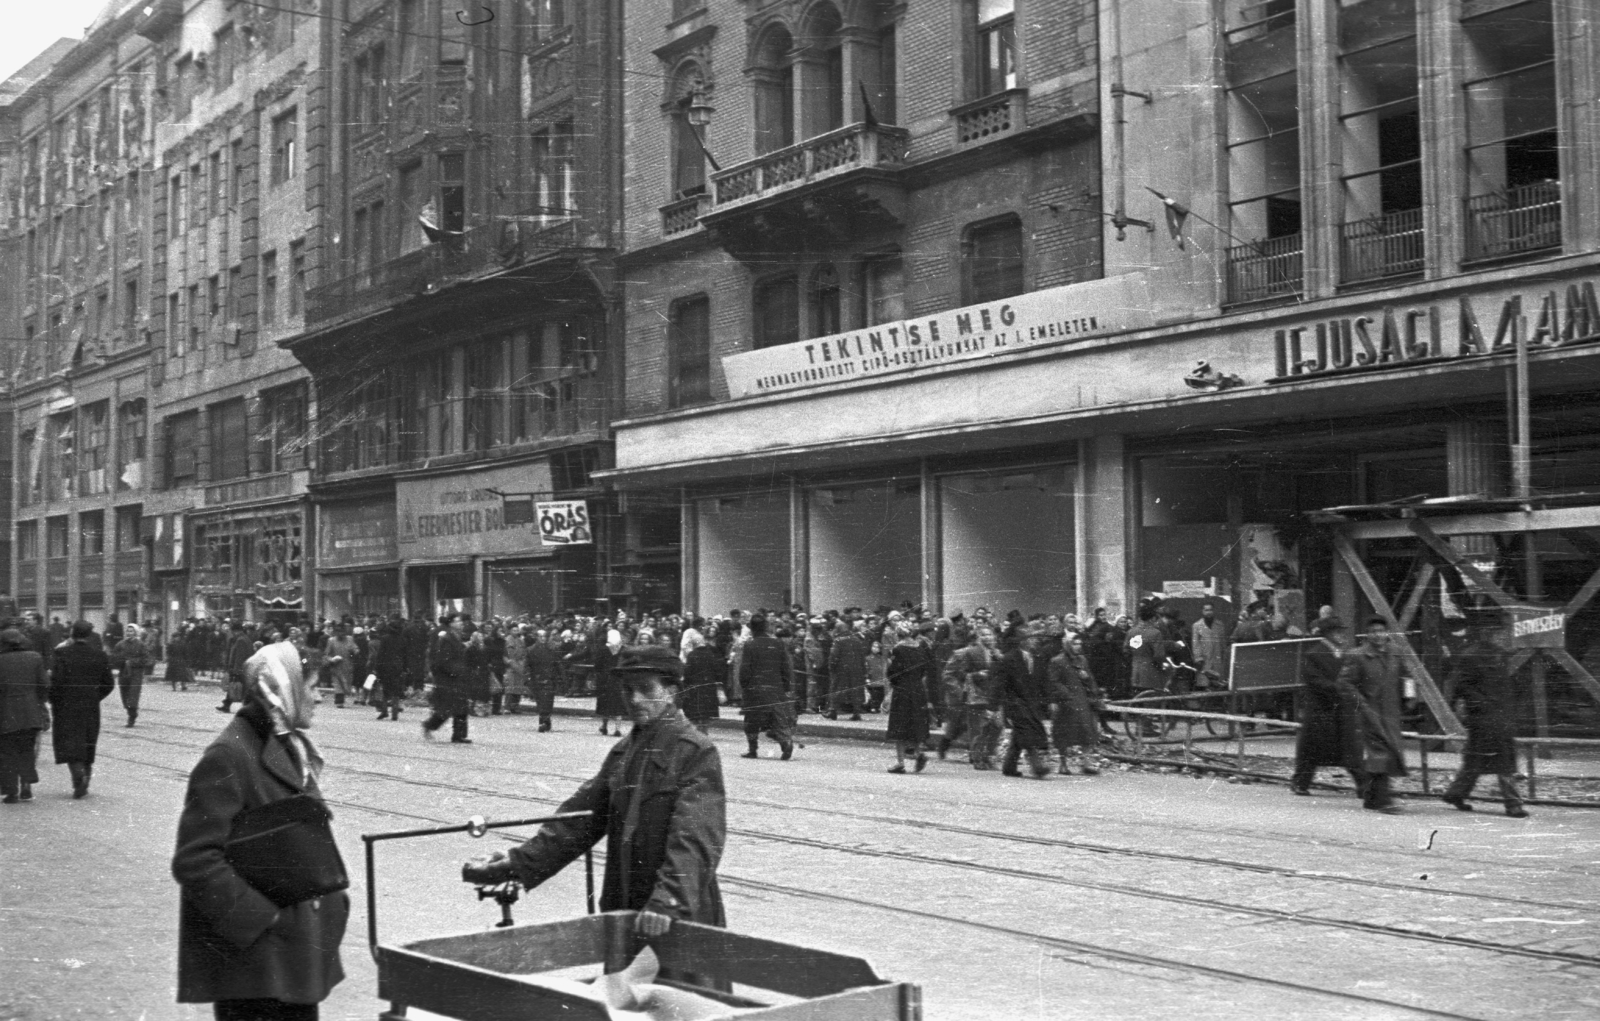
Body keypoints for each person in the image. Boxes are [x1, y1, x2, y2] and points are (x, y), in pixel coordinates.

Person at [461, 645, 725, 947]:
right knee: (622, 992)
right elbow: (578, 821)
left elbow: (696, 837)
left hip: (676, 916)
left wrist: (669, 900)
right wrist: (517, 863)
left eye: (645, 689)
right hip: (626, 904)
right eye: (627, 690)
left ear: (671, 691)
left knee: (675, 995)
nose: (634, 699)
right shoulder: (625, 751)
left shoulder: (695, 751)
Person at [172, 629, 348, 1020]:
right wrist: (264, 919)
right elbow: (195, 860)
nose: (319, 697)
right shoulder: (229, 755)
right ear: (283, 690)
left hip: (290, 958)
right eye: (313, 688)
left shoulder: (286, 743)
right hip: (257, 966)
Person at [1442, 611, 1528, 818]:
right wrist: (1483, 705)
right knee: (1502, 761)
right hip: (1484, 717)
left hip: (1497, 716)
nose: (1494, 634)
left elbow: (1507, 685)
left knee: (1476, 761)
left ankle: (1456, 793)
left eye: (1496, 630)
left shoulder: (1499, 654)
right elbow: (1462, 686)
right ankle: (1513, 805)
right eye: (1490, 631)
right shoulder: (1470, 655)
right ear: (1481, 632)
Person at [1288, 617, 1365, 796]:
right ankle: (1300, 783)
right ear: (1328, 634)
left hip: (1339, 709)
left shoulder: (1343, 654)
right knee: (1313, 750)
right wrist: (1341, 689)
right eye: (1338, 631)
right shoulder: (1313, 654)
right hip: (1320, 709)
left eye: (1342, 631)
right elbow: (1315, 681)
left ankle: (1364, 786)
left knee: (1349, 750)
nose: (1342, 635)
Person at [1342, 617, 1410, 814]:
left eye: (1381, 631)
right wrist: (1361, 704)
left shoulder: (1396, 652)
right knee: (1380, 753)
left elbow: (1406, 676)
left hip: (1391, 713)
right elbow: (1344, 684)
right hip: (1369, 712)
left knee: (1386, 751)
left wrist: (1411, 697)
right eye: (1373, 631)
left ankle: (1371, 797)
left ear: (1387, 633)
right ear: (1367, 634)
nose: (1378, 635)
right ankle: (1383, 799)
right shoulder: (1357, 656)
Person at [49, 621, 116, 799]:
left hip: (66, 705)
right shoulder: (99, 655)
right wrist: (95, 696)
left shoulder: (61, 653)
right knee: (88, 741)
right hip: (90, 705)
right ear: (89, 635)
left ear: (72, 633)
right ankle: (85, 775)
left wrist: (54, 700)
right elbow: (108, 684)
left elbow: (56, 681)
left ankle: (77, 774)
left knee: (69, 742)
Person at [995, 624, 1052, 779]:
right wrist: (998, 706)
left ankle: (1009, 766)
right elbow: (1001, 684)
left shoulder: (1038, 658)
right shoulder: (1009, 659)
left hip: (1032, 702)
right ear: (1021, 641)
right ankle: (1037, 766)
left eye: (1034, 638)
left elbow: (1043, 682)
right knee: (1027, 732)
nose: (1034, 641)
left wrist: (1049, 700)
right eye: (1030, 638)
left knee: (1019, 734)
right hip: (1015, 702)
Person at [0, 628, 49, 804]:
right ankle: (26, 784)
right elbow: (44, 685)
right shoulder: (35, 657)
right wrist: (40, 703)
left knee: (6, 752)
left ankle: (11, 791)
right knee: (27, 750)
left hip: (5, 712)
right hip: (31, 712)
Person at [737, 614, 795, 760]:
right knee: (777, 719)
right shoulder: (777, 643)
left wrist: (744, 685)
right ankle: (785, 743)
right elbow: (785, 667)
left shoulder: (750, 645)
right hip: (776, 688)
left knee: (751, 720)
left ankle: (753, 749)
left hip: (755, 689)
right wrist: (786, 686)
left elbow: (745, 669)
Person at [1048, 631, 1104, 775]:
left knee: (1087, 731)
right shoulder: (1057, 661)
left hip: (1082, 700)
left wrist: (1091, 686)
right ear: (1067, 644)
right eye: (1074, 643)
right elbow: (1054, 681)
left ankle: (1086, 762)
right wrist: (1066, 695)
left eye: (1079, 643)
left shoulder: (1082, 660)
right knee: (1064, 733)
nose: (1078, 646)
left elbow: (1090, 679)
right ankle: (1063, 763)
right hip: (1066, 702)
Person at [885, 622, 936, 774]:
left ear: (898, 634)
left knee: (899, 725)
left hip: (902, 689)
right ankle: (918, 753)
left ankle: (900, 762)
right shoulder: (920, 647)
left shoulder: (898, 649)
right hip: (918, 688)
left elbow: (892, 673)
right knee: (915, 723)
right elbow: (925, 669)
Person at [422, 614, 472, 744]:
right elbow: (443, 660)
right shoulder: (447, 638)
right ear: (451, 624)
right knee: (445, 710)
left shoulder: (457, 637)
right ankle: (429, 725)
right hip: (448, 679)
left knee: (462, 708)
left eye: (461, 621)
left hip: (458, 678)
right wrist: (455, 670)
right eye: (458, 621)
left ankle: (459, 735)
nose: (461, 623)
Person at [679, 631, 722, 733]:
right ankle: (704, 733)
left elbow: (688, 673)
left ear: (693, 643)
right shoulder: (711, 654)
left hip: (695, 690)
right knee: (705, 717)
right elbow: (718, 671)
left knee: (695, 717)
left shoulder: (692, 655)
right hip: (709, 689)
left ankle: (698, 735)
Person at [827, 620, 867, 722]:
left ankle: (833, 711)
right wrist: (863, 670)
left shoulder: (838, 640)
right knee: (856, 690)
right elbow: (862, 656)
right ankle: (856, 713)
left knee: (837, 689)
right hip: (857, 670)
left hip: (841, 670)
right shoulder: (857, 640)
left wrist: (831, 667)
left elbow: (834, 656)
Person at [115, 624, 154, 727]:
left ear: (135, 633)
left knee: (133, 695)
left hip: (136, 673)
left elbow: (147, 659)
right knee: (125, 695)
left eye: (131, 631)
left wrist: (133, 662)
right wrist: (121, 661)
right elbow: (114, 657)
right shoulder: (120, 644)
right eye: (128, 631)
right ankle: (130, 712)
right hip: (123, 672)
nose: (129, 633)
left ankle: (132, 717)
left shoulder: (141, 645)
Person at [1190, 603, 1230, 690]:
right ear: (1202, 611)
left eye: (1210, 610)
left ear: (1214, 611)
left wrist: (1225, 656)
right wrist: (1198, 658)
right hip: (1204, 660)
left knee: (1218, 684)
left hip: (1217, 659)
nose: (1209, 612)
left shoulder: (1219, 625)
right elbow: (1195, 643)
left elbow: (1223, 643)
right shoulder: (1197, 625)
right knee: (1204, 684)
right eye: (1206, 610)